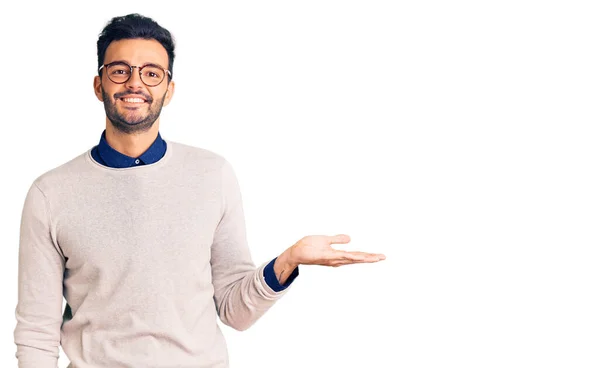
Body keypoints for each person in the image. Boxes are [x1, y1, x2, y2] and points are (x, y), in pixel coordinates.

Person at [13, 13, 386, 368]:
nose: (135, 83)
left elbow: (235, 311)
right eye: (120, 70)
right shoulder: (51, 193)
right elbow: (37, 330)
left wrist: (288, 261)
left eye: (151, 73)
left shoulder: (212, 175)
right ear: (99, 85)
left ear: (169, 90)